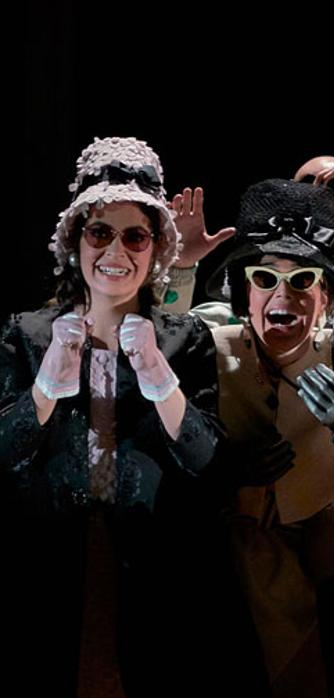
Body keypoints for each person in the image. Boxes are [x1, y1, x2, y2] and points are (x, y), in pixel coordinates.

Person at [0, 137, 228, 694]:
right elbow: (5, 453)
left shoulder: (185, 338)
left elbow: (210, 463)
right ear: (76, 240)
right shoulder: (27, 333)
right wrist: (46, 387)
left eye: (135, 236)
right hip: (47, 565)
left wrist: (158, 375)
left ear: (155, 248)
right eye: (100, 232)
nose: (116, 251)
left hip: (153, 569)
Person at [210, 178, 334, 696]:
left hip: (326, 548)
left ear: (327, 296)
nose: (282, 295)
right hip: (232, 553)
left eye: (303, 279)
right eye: (265, 277)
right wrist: (224, 468)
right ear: (243, 291)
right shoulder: (209, 350)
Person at [160, 156, 334, 416]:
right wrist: (180, 269)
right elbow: (160, 352)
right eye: (305, 189)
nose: (320, 201)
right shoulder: (254, 304)